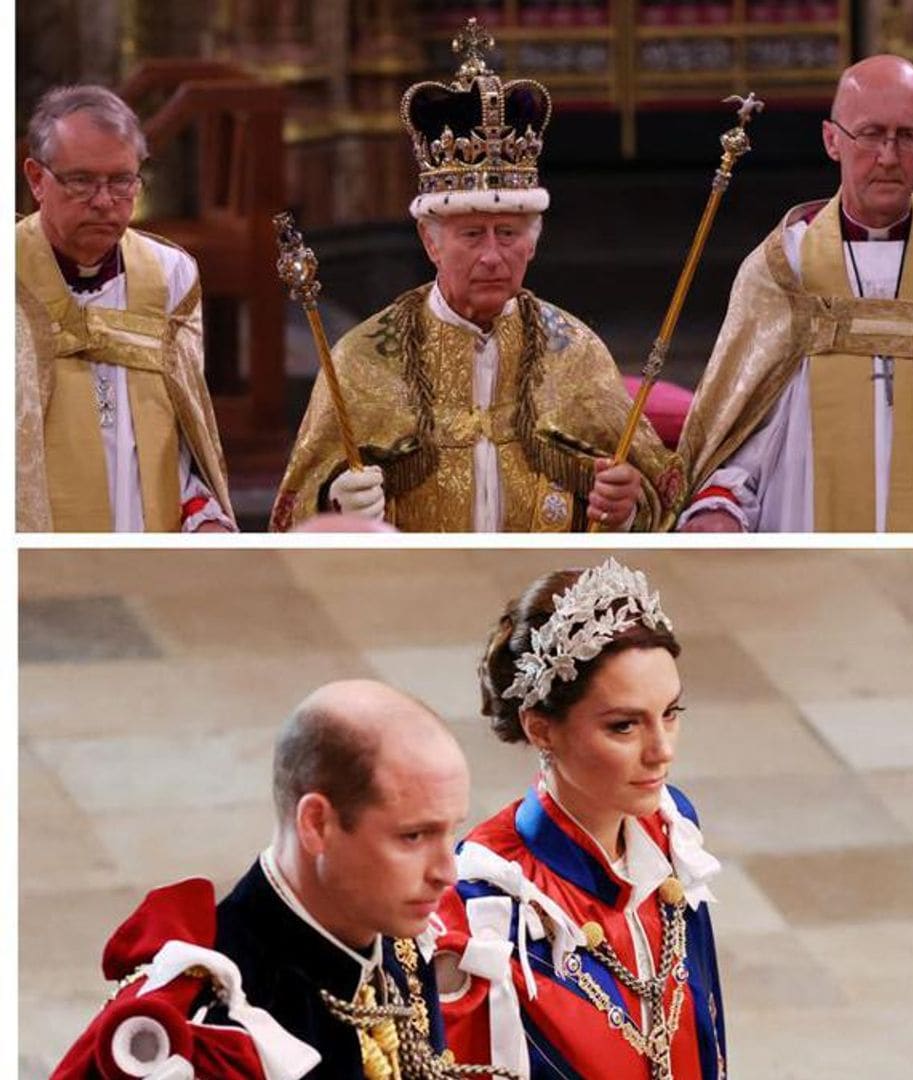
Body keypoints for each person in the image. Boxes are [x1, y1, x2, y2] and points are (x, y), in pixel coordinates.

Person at [274, 25, 684, 532]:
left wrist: (626, 507)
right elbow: (293, 516)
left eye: (508, 232)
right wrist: (336, 503)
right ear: (430, 242)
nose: (493, 255)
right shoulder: (362, 361)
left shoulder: (576, 352)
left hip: (543, 601)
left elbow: (658, 495)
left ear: (533, 243)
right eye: (471, 234)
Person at [53, 681, 480, 1079]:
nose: (447, 872)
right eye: (413, 836)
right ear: (317, 825)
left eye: (451, 831)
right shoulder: (219, 1032)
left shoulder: (395, 944)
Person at [435, 559, 727, 1079]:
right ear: (542, 729)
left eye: (671, 714)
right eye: (623, 726)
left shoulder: (671, 830)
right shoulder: (488, 904)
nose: (662, 751)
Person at [676, 55, 913, 533]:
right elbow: (745, 422)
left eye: (907, 136)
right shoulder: (787, 265)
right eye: (870, 134)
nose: (888, 156)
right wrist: (722, 499)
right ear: (832, 140)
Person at [17, 85, 235, 533]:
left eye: (121, 181)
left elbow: (181, 439)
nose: (103, 201)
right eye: (80, 181)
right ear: (37, 179)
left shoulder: (169, 275)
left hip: (143, 555)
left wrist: (203, 518)